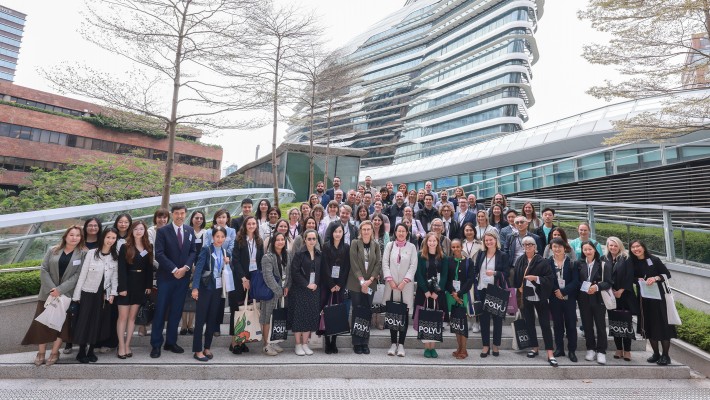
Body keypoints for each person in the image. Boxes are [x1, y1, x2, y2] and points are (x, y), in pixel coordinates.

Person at [22, 225, 85, 367]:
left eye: (78, 235)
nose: (74, 237)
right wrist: (53, 289)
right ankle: (41, 352)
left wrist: (60, 290)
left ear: (81, 238)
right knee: (41, 323)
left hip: (65, 296)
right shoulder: (53, 250)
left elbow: (78, 275)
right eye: (71, 235)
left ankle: (55, 352)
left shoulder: (82, 254)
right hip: (47, 295)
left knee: (61, 325)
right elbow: (44, 269)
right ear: (65, 236)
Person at [150, 204, 196, 359]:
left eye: (182, 213)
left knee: (176, 311)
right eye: (177, 213)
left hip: (183, 279)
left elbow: (193, 252)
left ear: (186, 214)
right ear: (172, 214)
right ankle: (156, 344)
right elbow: (159, 254)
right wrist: (174, 269)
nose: (180, 216)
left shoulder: (189, 231)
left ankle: (171, 342)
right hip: (166, 278)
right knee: (161, 311)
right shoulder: (162, 231)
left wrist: (186, 268)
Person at [72, 228, 119, 363]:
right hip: (88, 292)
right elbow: (83, 275)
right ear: (103, 237)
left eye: (113, 238)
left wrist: (113, 294)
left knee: (97, 322)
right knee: (84, 321)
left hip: (103, 295)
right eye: (108, 237)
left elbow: (115, 278)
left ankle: (91, 350)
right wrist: (77, 296)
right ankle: (81, 351)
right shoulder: (92, 253)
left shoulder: (115, 256)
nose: (110, 240)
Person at [629, 240, 676, 365]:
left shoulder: (654, 260)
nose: (635, 249)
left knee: (663, 326)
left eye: (638, 246)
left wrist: (655, 278)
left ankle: (666, 355)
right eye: (633, 247)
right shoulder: (632, 262)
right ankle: (656, 353)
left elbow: (667, 274)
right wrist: (637, 279)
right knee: (648, 326)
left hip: (659, 299)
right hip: (643, 299)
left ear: (643, 247)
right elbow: (630, 277)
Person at [191, 225, 234, 361]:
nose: (220, 239)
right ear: (212, 237)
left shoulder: (224, 251)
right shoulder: (206, 249)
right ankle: (197, 350)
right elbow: (198, 269)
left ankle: (207, 347)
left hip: (217, 289)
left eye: (222, 237)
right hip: (205, 288)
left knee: (212, 319)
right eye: (217, 236)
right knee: (200, 319)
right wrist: (195, 287)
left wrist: (228, 261)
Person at [513, 236, 557, 367]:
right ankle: (534, 347)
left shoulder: (542, 261)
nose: (527, 247)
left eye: (530, 244)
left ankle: (550, 353)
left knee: (545, 325)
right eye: (525, 245)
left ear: (535, 246)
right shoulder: (520, 260)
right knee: (529, 323)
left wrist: (536, 278)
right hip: (525, 296)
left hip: (540, 297)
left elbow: (550, 279)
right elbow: (516, 277)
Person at [63, 217, 102, 355]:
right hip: (75, 282)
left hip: (91, 285)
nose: (93, 228)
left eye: (95, 225)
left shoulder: (102, 242)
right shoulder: (79, 240)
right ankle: (68, 342)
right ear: (85, 227)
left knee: (86, 316)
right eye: (90, 225)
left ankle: (86, 342)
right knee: (73, 314)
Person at [116, 221, 154, 360]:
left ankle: (128, 345)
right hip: (127, 284)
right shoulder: (125, 247)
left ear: (145, 230)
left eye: (141, 229)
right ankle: (121, 345)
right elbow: (121, 269)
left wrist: (148, 285)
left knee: (132, 318)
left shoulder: (148, 247)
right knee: (122, 318)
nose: (139, 231)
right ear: (132, 230)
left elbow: (149, 268)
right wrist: (122, 287)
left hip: (140, 285)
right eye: (136, 229)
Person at [468, 232, 509, 357]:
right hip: (482, 289)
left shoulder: (503, 255)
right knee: (484, 320)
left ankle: (496, 345)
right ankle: (485, 346)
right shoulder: (481, 254)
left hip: (495, 290)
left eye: (491, 240)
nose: (488, 242)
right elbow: (476, 269)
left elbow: (506, 273)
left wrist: (495, 273)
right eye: (486, 240)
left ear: (496, 240)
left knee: (497, 319)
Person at [382, 223, 417, 357]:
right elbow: (385, 263)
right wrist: (390, 279)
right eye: (399, 231)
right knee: (392, 313)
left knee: (403, 314)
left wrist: (404, 282)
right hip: (391, 285)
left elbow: (413, 265)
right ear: (395, 232)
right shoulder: (389, 246)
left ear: (407, 233)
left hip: (405, 286)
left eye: (404, 231)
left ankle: (401, 344)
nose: (401, 233)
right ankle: (392, 343)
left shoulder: (412, 247)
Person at [230, 216, 264, 354]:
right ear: (245, 225)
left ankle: (242, 340)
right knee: (238, 310)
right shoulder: (239, 240)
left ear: (256, 225)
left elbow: (261, 260)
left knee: (248, 309)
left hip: (253, 278)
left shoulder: (259, 241)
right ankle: (234, 343)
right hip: (240, 279)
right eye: (249, 223)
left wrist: (256, 279)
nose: (251, 226)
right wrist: (243, 278)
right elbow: (235, 261)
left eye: (253, 223)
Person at [347, 220, 382, 355]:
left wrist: (370, 280)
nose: (366, 231)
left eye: (369, 229)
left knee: (366, 312)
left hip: (371, 283)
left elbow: (378, 263)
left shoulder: (375, 245)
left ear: (372, 231)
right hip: (356, 283)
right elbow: (354, 263)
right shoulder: (355, 243)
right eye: (364, 229)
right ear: (360, 231)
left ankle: (364, 342)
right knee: (357, 311)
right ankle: (356, 342)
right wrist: (362, 282)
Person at [576, 240, 612, 365]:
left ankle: (601, 351)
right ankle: (590, 348)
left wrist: (596, 287)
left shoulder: (603, 264)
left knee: (601, 326)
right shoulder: (579, 264)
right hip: (584, 299)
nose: (587, 252)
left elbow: (608, 282)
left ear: (595, 250)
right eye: (585, 249)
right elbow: (577, 281)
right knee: (587, 325)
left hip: (598, 299)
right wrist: (584, 287)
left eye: (590, 249)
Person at [287, 229, 322, 356]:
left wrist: (316, 284)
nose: (312, 241)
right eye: (309, 239)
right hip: (300, 290)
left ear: (316, 240)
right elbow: (294, 272)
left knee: (309, 316)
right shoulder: (299, 254)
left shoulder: (319, 254)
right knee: (299, 317)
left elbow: (320, 272)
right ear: (305, 240)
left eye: (314, 239)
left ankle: (305, 343)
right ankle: (297, 344)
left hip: (314, 291)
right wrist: (307, 284)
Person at [203, 209, 238, 337]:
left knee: (221, 299)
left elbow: (232, 247)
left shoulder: (232, 231)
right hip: (211, 269)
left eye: (223, 217)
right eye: (218, 217)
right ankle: (209, 325)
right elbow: (206, 247)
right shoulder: (208, 232)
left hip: (225, 268)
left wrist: (226, 256)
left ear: (227, 218)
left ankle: (216, 326)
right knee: (209, 299)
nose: (221, 219)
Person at [415, 232, 448, 358]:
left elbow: (444, 276)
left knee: (435, 320)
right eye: (430, 241)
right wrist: (425, 290)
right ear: (426, 242)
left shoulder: (443, 257)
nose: (432, 243)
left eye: (434, 241)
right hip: (424, 292)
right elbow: (419, 274)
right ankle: (426, 347)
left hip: (437, 293)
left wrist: (437, 292)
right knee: (425, 319)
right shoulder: (420, 255)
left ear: (438, 242)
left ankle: (433, 347)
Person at [548, 237, 580, 363]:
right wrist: (556, 291)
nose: (557, 249)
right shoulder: (548, 262)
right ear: (551, 248)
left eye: (559, 246)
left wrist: (563, 291)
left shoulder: (572, 262)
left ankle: (572, 350)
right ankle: (559, 348)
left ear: (565, 248)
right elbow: (548, 279)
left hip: (569, 298)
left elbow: (576, 281)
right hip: (554, 298)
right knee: (557, 324)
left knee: (571, 324)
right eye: (554, 247)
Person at [606, 236, 637, 362]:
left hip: (624, 296)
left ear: (619, 246)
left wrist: (621, 290)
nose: (612, 247)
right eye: (610, 245)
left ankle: (627, 350)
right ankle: (619, 349)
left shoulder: (626, 258)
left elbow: (630, 276)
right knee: (614, 323)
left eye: (615, 245)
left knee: (626, 323)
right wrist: (610, 291)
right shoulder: (605, 259)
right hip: (610, 296)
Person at [320, 225, 351, 354]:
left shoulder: (346, 247)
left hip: (340, 285)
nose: (338, 234)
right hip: (328, 285)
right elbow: (325, 266)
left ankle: (334, 341)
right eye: (335, 232)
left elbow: (346, 267)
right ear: (331, 233)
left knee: (337, 313)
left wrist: (339, 284)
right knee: (327, 312)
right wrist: (331, 284)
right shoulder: (326, 246)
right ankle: (327, 341)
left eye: (340, 231)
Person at [260, 232, 289, 356]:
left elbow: (289, 273)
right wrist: (278, 290)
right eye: (278, 240)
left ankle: (274, 341)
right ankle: (266, 345)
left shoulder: (287, 255)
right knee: (267, 318)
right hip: (270, 293)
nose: (280, 242)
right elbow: (268, 276)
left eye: (282, 239)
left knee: (277, 317)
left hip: (282, 291)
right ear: (273, 242)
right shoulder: (267, 257)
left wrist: (286, 286)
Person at [445, 239, 474, 359]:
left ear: (462, 247)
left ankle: (464, 349)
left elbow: (470, 280)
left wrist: (459, 293)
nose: (456, 249)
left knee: (462, 323)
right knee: (456, 323)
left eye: (458, 247)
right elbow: (445, 278)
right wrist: (453, 293)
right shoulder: (448, 261)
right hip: (451, 295)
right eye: (453, 247)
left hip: (463, 295)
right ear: (451, 248)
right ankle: (459, 348)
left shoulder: (468, 262)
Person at [181, 210, 206, 336]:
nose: (199, 220)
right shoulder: (187, 231)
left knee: (195, 297)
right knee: (185, 296)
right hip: (187, 267)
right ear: (192, 219)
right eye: (196, 218)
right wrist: (189, 265)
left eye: (201, 218)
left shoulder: (206, 233)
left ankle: (191, 324)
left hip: (200, 269)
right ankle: (183, 324)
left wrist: (198, 267)